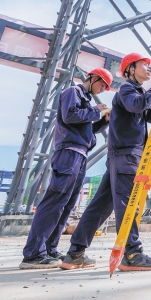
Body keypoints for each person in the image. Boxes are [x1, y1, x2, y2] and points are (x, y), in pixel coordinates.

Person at [61, 53, 151, 271]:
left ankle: (75, 253)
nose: (149, 69)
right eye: (144, 65)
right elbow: (137, 105)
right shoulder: (127, 89)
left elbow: (149, 115)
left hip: (120, 157)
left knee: (99, 207)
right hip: (126, 156)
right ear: (131, 69)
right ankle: (132, 253)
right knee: (128, 205)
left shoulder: (138, 93)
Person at [19, 68, 113, 269]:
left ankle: (49, 249)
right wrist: (97, 111)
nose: (102, 89)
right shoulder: (73, 92)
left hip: (80, 154)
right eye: (102, 85)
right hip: (68, 152)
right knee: (56, 200)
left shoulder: (85, 101)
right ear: (93, 78)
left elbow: (86, 128)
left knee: (67, 204)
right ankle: (33, 254)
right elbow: (70, 116)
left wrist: (103, 122)